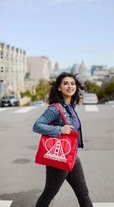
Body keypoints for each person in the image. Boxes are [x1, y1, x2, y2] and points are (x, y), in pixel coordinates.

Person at [33, 72, 93, 207]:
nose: (69, 86)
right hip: (59, 159)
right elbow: (37, 125)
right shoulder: (55, 108)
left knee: (83, 194)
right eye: (65, 83)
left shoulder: (70, 107)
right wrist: (59, 130)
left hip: (72, 157)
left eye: (72, 83)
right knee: (48, 194)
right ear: (59, 88)